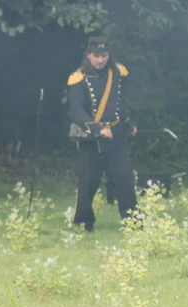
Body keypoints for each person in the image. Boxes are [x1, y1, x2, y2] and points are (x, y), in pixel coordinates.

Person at [66, 36, 138, 232]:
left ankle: (132, 222)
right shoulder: (78, 78)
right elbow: (76, 110)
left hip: (115, 136)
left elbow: (120, 104)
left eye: (104, 56)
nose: (100, 60)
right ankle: (84, 222)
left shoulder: (119, 73)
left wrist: (128, 123)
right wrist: (97, 129)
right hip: (91, 139)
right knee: (88, 183)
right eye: (96, 56)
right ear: (88, 55)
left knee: (124, 179)